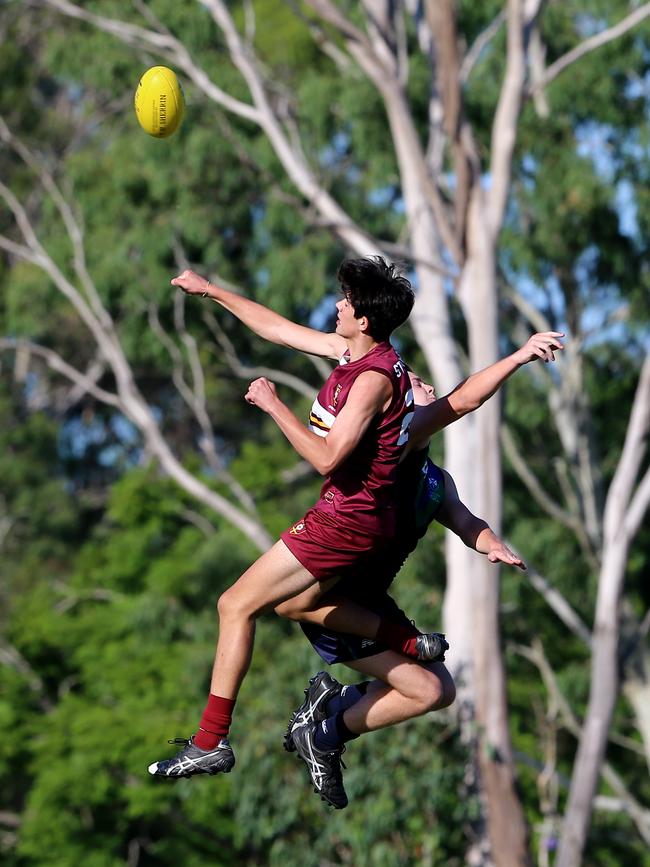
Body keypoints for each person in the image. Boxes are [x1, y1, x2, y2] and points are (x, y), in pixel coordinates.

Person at [148, 255, 419, 779]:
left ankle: (210, 742)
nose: (337, 305)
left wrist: (275, 405)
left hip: (346, 523)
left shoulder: (372, 381)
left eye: (346, 300)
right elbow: (279, 330)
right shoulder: (355, 351)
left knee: (235, 605)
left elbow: (327, 458)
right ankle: (406, 644)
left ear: (364, 320)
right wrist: (211, 291)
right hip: (355, 519)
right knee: (297, 604)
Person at [276, 333, 564, 808]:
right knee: (426, 689)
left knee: (441, 689)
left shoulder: (434, 478)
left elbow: (466, 522)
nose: (425, 388)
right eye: (418, 385)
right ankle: (324, 731)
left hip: (371, 598)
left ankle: (327, 715)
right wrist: (518, 354)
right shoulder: (390, 453)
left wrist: (492, 545)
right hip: (338, 599)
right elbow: (466, 397)